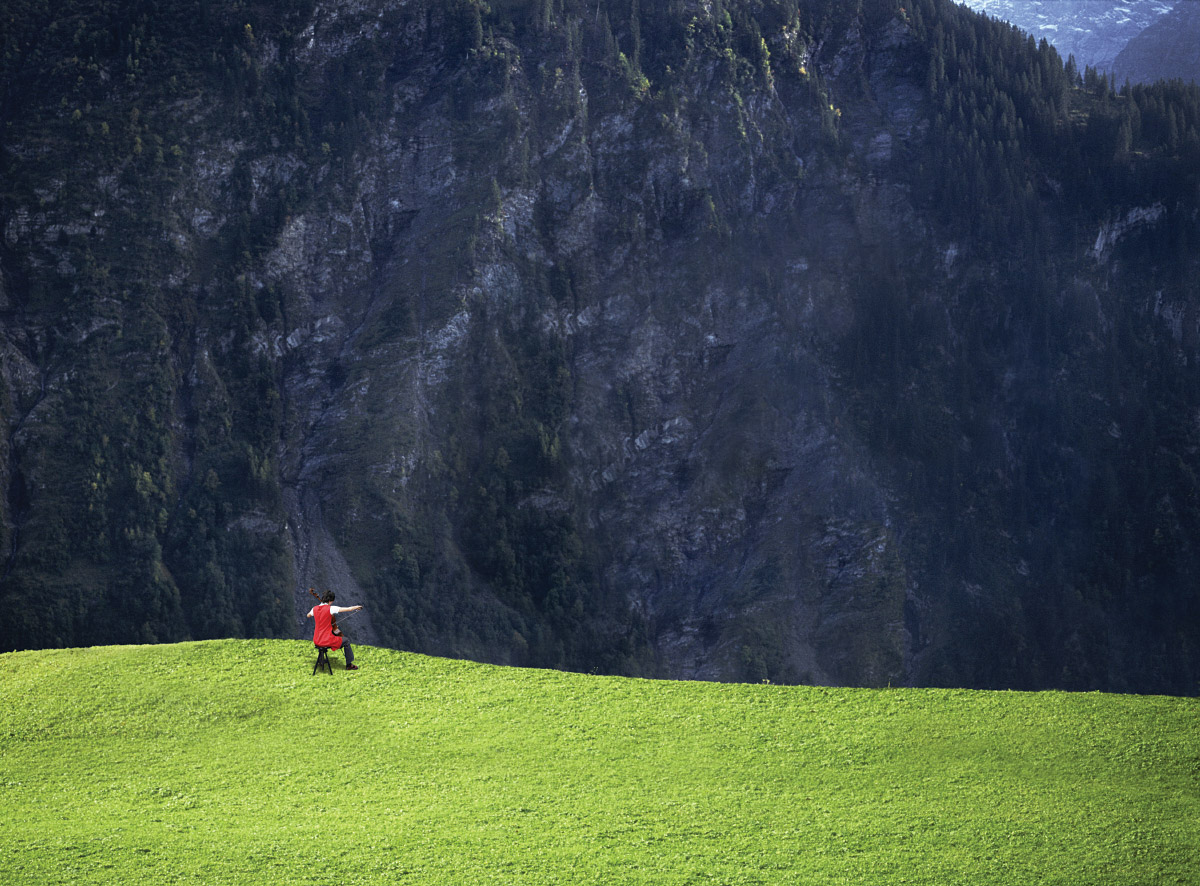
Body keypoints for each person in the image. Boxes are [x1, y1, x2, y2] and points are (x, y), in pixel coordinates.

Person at [306, 591, 364, 670]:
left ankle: (321, 660)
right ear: (330, 601)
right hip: (326, 640)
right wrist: (356, 607)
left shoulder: (314, 608)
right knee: (346, 641)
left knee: (325, 639)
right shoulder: (330, 608)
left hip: (316, 639)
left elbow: (308, 615)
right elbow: (348, 609)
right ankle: (349, 665)